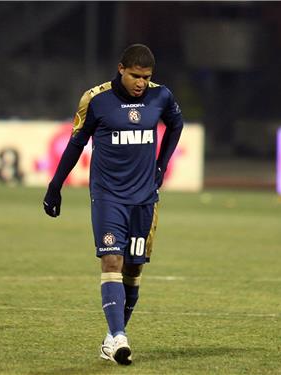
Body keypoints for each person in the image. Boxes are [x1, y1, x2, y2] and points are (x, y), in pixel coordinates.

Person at [42, 44, 183, 365]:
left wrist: (161, 165)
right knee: (112, 262)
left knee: (134, 270)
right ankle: (119, 335)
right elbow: (76, 142)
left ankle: (113, 337)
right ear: (121, 69)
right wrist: (55, 185)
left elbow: (176, 125)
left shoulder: (161, 97)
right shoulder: (96, 100)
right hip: (108, 197)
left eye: (146, 77)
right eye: (135, 76)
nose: (141, 83)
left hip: (145, 199)